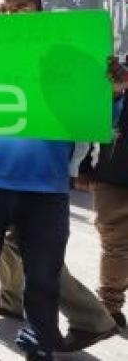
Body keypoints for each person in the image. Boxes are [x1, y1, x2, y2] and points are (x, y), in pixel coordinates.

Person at [0, 0, 119, 361]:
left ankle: (39, 343)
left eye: (21, 7)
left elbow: (95, 124)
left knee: (43, 278)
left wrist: (113, 92)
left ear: (39, 13)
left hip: (46, 190)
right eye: (2, 11)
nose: (10, 16)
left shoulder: (67, 62)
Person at [89, 80, 128, 330]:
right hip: (113, 177)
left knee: (115, 247)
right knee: (115, 246)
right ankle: (110, 306)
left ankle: (110, 305)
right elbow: (92, 120)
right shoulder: (116, 85)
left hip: (113, 175)